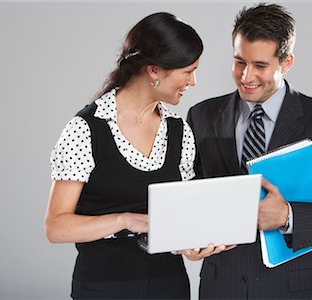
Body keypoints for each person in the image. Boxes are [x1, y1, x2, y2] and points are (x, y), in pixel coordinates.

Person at [185, 3, 312, 299]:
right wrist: (190, 240)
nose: (246, 76)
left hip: (290, 289)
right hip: (221, 287)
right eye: (238, 62)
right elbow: (189, 194)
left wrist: (288, 216)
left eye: (260, 66)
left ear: (286, 63)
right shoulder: (201, 115)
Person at [45, 12, 203, 299]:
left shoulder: (181, 132)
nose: (193, 81)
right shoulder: (87, 129)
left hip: (171, 285)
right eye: (188, 71)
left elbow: (184, 218)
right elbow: (56, 227)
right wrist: (125, 220)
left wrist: (195, 245)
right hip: (104, 288)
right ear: (154, 70)